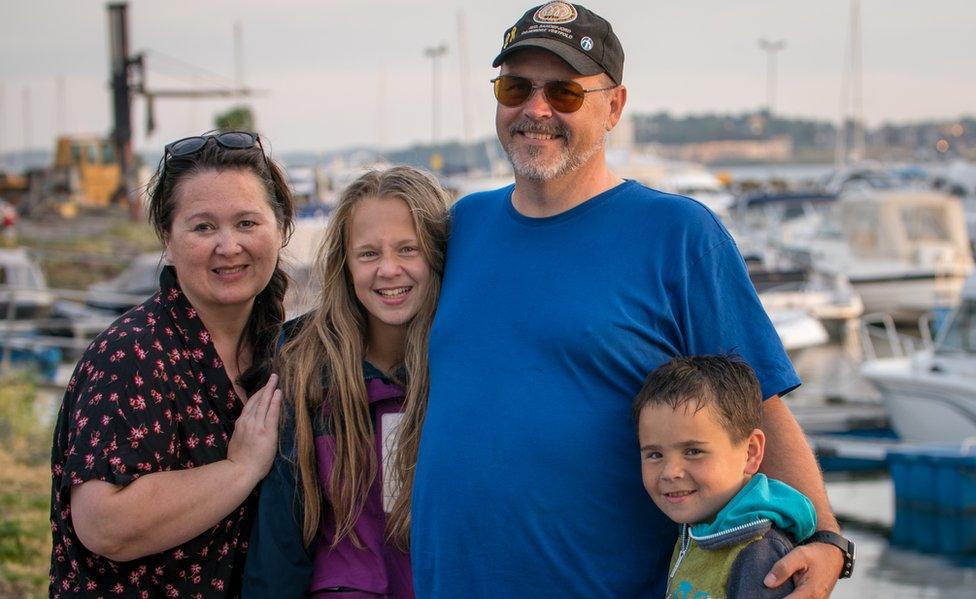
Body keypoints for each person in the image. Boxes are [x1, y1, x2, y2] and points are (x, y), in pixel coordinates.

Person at [410, 2, 853, 597]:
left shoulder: (678, 234)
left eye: (564, 93)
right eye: (516, 87)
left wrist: (826, 538)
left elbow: (759, 403)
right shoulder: (464, 225)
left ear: (614, 106)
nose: (534, 110)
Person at [50, 131, 293, 597]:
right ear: (168, 236)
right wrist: (239, 469)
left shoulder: (282, 349)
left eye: (247, 223)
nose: (229, 246)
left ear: (279, 228)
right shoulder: (131, 356)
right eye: (203, 227)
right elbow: (105, 525)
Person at [242, 167, 449, 597]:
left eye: (408, 249)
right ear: (346, 263)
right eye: (369, 254)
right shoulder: (303, 367)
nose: (389, 270)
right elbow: (280, 541)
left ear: (438, 254)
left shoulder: (462, 367)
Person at [634, 356, 818, 598]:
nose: (670, 472)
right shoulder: (695, 530)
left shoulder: (759, 554)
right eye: (655, 454)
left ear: (750, 452)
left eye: (693, 451)